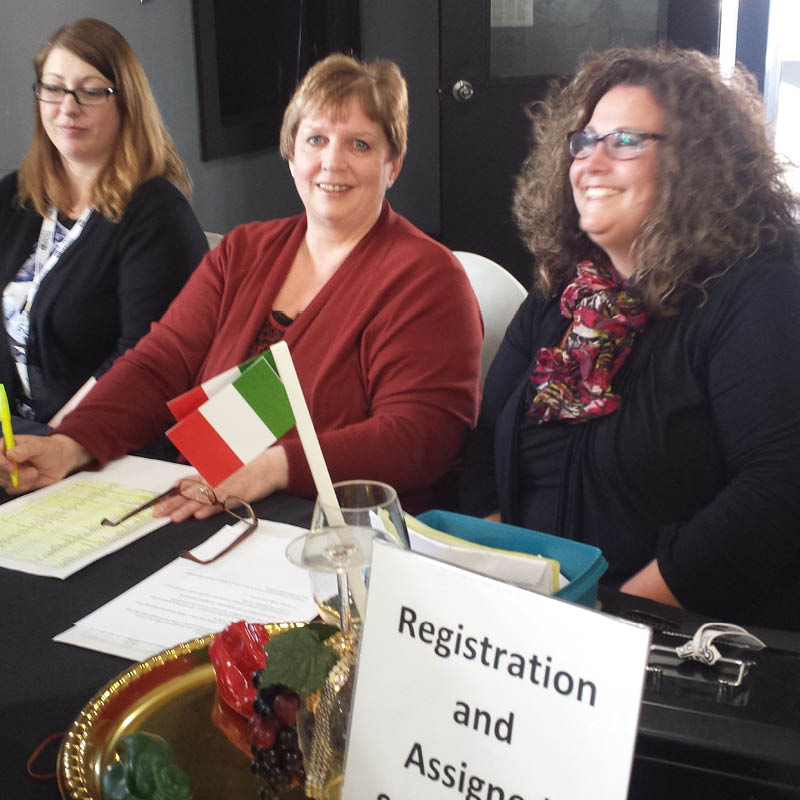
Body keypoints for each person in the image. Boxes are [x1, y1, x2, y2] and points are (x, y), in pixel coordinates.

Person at [0, 53, 482, 516]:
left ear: (392, 165)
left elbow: (421, 437)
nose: (332, 162)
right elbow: (160, 362)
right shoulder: (243, 251)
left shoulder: (428, 279)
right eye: (315, 140)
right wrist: (71, 444)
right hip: (203, 500)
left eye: (360, 144)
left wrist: (276, 467)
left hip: (335, 528)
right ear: (291, 154)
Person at [460, 46, 800, 629]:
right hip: (537, 625)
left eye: (623, 141)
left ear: (694, 162)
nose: (590, 162)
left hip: (677, 640)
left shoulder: (757, 289)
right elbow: (486, 444)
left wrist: (608, 616)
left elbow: (775, 493)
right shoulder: (562, 292)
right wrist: (493, 579)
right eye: (584, 141)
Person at [0, 18, 207, 428]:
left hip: (102, 444)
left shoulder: (157, 215)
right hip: (18, 435)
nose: (67, 108)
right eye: (54, 88)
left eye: (91, 92)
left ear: (126, 102)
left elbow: (140, 360)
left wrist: (59, 442)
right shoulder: (15, 196)